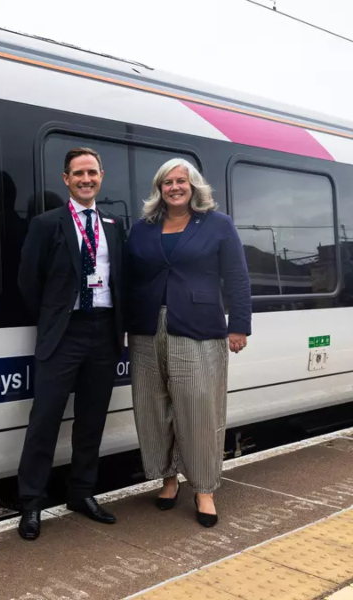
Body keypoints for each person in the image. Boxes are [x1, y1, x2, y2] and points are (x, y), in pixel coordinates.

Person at [123, 158, 251, 528]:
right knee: (152, 408)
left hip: (197, 327)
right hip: (146, 328)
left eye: (181, 181)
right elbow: (129, 281)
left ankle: (204, 488)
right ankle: (167, 479)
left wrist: (239, 325)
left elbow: (237, 278)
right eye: (167, 182)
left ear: (194, 186)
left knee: (198, 410)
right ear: (158, 188)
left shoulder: (218, 224)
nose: (174, 187)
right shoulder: (142, 228)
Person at [16, 147, 126, 540]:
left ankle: (82, 493)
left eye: (92, 172)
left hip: (104, 331)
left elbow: (121, 280)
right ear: (66, 179)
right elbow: (29, 283)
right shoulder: (47, 224)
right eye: (78, 173)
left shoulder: (113, 225)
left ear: (101, 176)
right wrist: (54, 318)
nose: (86, 179)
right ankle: (31, 504)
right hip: (64, 333)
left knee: (92, 421)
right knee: (44, 421)